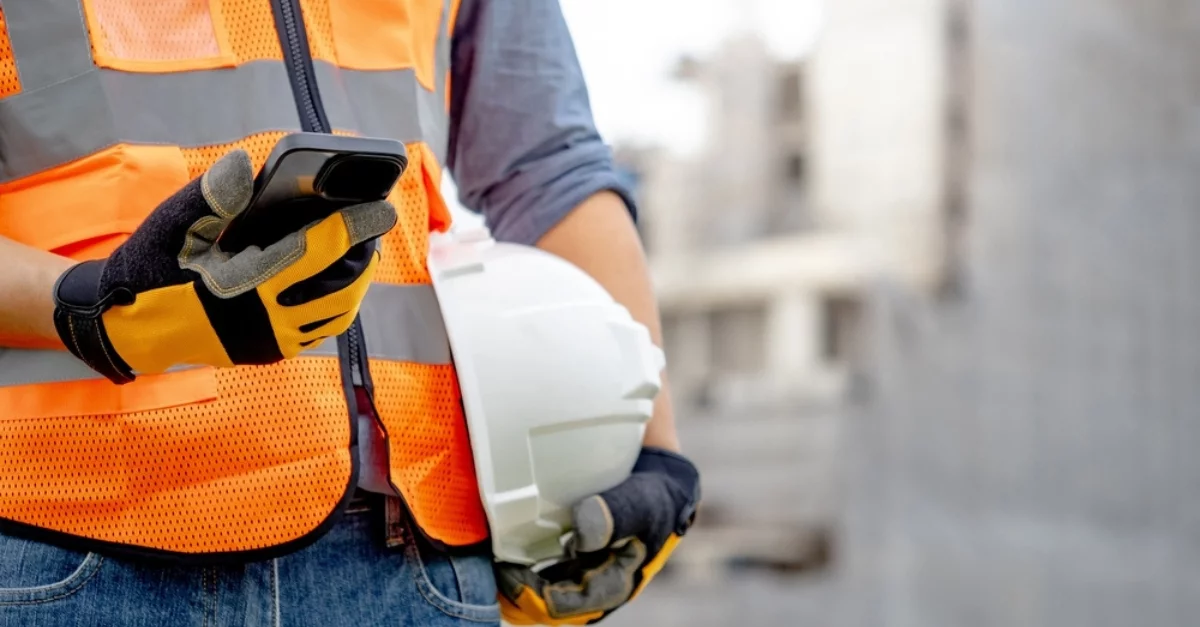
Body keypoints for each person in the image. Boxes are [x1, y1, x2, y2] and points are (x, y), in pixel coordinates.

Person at [0, 0, 700, 626]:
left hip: (412, 555)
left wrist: (652, 444)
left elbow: (547, 167)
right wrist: (88, 307)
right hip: (67, 540)